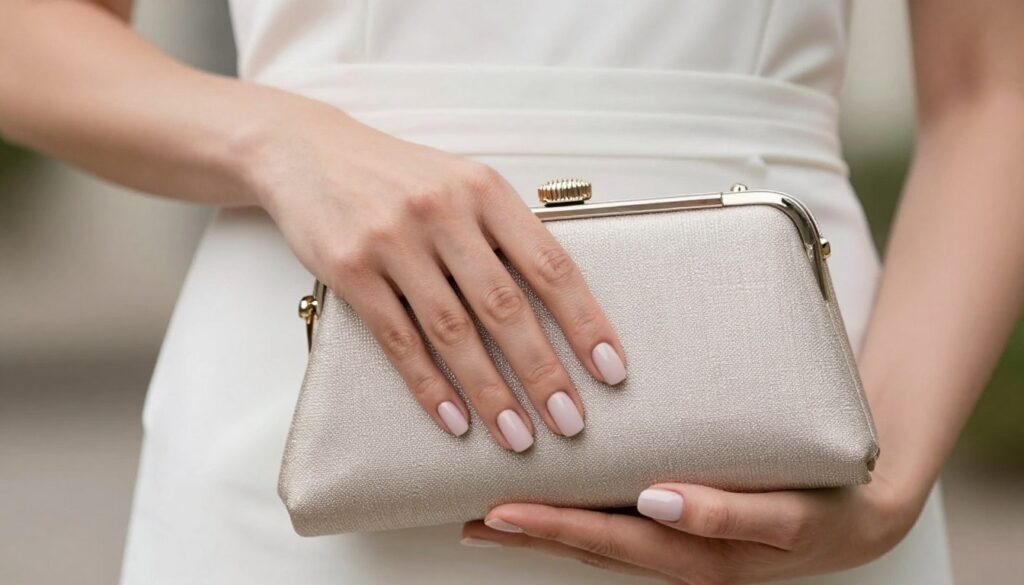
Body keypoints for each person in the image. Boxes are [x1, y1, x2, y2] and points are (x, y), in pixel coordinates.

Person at [2, 0, 1021, 583]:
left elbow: (993, 88)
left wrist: (888, 487)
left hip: (793, 473)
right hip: (300, 425)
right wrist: (278, 137)